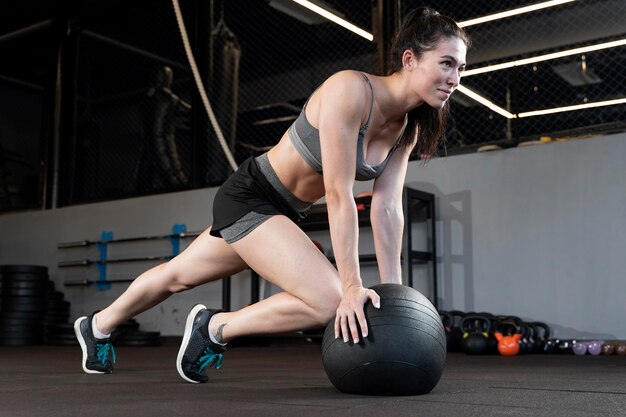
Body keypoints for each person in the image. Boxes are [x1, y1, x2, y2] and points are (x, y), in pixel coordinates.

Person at [74, 7, 469, 383]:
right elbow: (337, 192)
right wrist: (351, 285)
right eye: (446, 63)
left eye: (461, 68)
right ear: (410, 59)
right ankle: (213, 327)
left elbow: (386, 207)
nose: (455, 77)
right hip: (251, 195)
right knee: (329, 300)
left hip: (282, 211)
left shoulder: (408, 128)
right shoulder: (351, 91)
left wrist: (395, 294)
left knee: (176, 276)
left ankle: (98, 325)